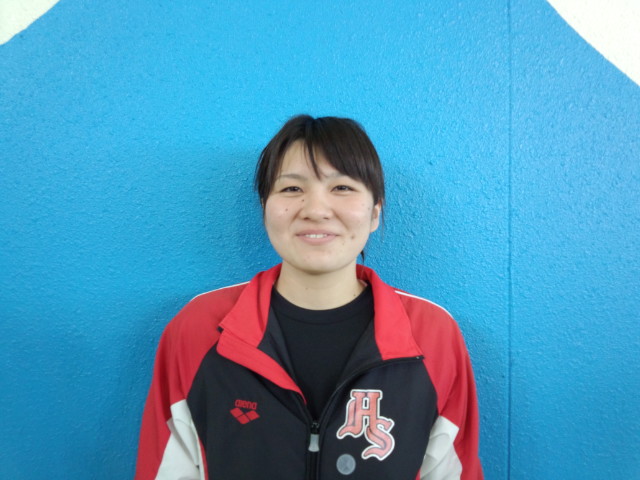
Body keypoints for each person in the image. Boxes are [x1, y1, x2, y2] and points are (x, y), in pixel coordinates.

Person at [135, 115, 483, 479]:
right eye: (291, 189)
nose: (315, 210)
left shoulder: (433, 335)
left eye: (342, 187)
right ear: (264, 208)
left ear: (375, 212)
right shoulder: (198, 330)